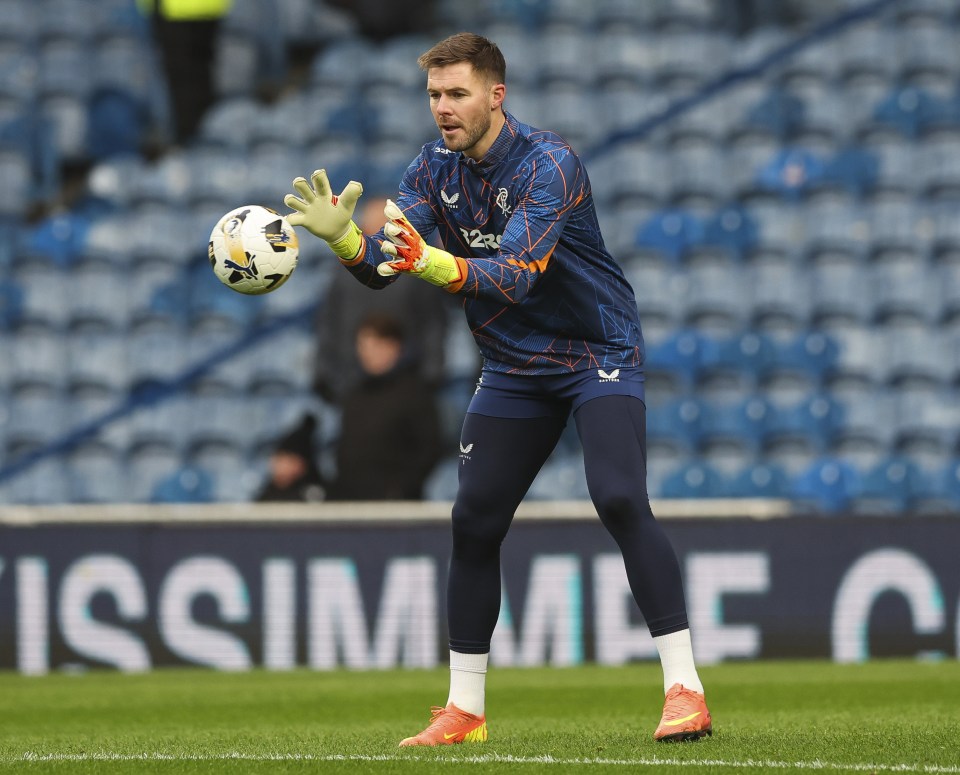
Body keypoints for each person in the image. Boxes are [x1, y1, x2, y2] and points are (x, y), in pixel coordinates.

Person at [284, 32, 712, 745]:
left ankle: (685, 689)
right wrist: (348, 245)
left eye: (456, 94)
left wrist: (429, 262)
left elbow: (516, 274)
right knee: (473, 521)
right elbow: (392, 268)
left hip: (593, 351)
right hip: (514, 364)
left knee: (618, 495)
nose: (443, 109)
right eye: (434, 96)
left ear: (495, 95)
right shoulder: (429, 170)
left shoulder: (552, 164)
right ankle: (465, 709)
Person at [312, 195, 456, 405]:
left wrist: (429, 378)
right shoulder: (342, 275)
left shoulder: (418, 273)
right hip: (352, 389)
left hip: (407, 391)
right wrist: (325, 376)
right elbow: (328, 324)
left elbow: (433, 324)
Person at [327, 312, 444, 500]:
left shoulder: (415, 394)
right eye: (362, 346)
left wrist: (400, 490)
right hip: (350, 502)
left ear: (394, 346)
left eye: (374, 346)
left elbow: (430, 449)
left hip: (394, 507)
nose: (366, 353)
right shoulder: (355, 394)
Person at [254, 413, 325, 502]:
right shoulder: (267, 493)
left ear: (300, 465)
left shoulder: (313, 495)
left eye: (285, 460)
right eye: (277, 458)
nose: (277, 464)